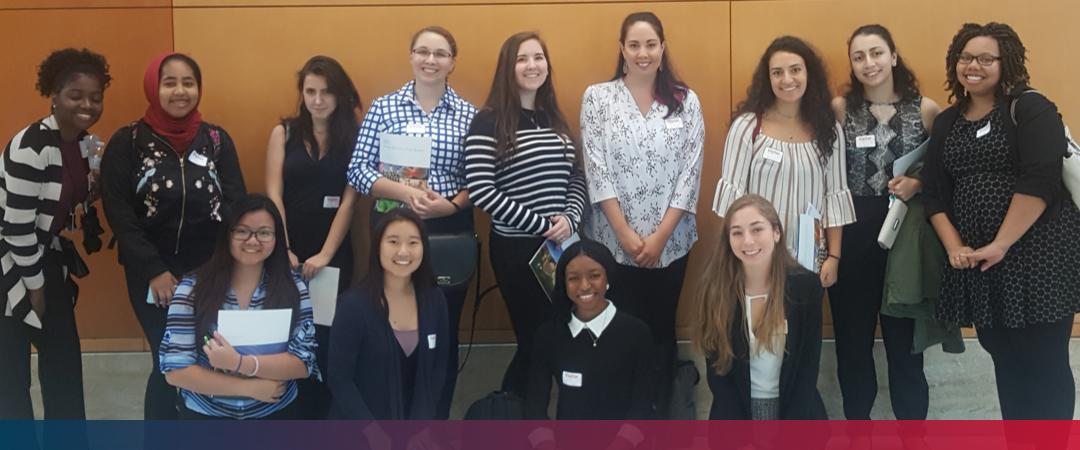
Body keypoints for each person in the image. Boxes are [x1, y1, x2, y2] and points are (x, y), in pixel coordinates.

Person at [922, 22, 1080, 420]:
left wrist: (1002, 242)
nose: (973, 66)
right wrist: (954, 246)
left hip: (1040, 260)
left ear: (1005, 61)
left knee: (1044, 364)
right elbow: (935, 193)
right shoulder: (947, 122)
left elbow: (1040, 179)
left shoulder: (1029, 108)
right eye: (966, 57)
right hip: (983, 264)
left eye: (986, 58)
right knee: (1006, 362)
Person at [102, 52, 247, 419]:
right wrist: (153, 269)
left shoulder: (216, 139)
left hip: (209, 271)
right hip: (152, 274)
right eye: (169, 83)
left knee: (205, 358)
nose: (180, 91)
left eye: (188, 82)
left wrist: (220, 268)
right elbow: (119, 213)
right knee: (169, 361)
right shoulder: (128, 141)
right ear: (154, 87)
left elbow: (235, 205)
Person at [347, 25, 477, 418]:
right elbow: (357, 170)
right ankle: (390, 417)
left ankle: (433, 419)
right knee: (389, 322)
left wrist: (449, 205)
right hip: (394, 228)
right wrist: (405, 193)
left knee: (442, 328)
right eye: (423, 52)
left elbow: (481, 179)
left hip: (447, 230)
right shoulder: (384, 108)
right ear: (411, 56)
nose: (430, 60)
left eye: (440, 54)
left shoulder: (470, 115)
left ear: (453, 61)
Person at [579, 11, 704, 415]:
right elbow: (595, 168)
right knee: (620, 324)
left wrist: (660, 237)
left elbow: (691, 172)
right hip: (613, 242)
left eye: (651, 44)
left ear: (663, 48)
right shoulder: (598, 98)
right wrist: (625, 234)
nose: (643, 53)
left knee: (662, 324)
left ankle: (661, 410)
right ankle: (624, 412)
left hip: (672, 240)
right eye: (634, 45)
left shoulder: (685, 100)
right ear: (622, 50)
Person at [827, 24, 942, 420]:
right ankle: (857, 427)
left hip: (905, 239)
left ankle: (913, 432)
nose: (869, 63)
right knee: (852, 343)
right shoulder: (840, 109)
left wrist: (919, 182)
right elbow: (824, 173)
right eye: (859, 57)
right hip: (852, 235)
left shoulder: (925, 109)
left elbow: (947, 172)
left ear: (893, 56)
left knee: (905, 344)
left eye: (876, 53)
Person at [464, 31, 586, 398]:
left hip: (562, 246)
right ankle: (518, 419)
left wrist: (570, 218)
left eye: (538, 57)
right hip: (518, 251)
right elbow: (482, 190)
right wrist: (541, 225)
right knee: (535, 338)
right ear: (508, 68)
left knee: (558, 334)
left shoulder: (554, 119)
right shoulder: (488, 122)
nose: (532, 65)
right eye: (522, 58)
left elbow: (577, 176)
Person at [0, 48, 111, 422]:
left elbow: (62, 207)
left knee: (63, 366)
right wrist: (35, 286)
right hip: (8, 264)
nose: (88, 105)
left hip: (47, 256)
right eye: (75, 95)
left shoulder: (84, 143)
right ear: (54, 95)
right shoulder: (30, 146)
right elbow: (15, 227)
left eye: (96, 97)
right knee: (10, 376)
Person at [712, 36, 855, 287]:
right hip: (754, 259)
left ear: (809, 74)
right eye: (777, 72)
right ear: (768, 79)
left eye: (795, 70)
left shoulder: (828, 129)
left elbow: (834, 195)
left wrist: (834, 256)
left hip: (809, 260)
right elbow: (730, 201)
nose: (787, 80)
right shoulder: (747, 127)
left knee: (803, 325)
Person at [159, 194, 317, 419]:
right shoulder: (192, 288)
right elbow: (176, 371)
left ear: (277, 238)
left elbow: (303, 362)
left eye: (264, 233)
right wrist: (247, 388)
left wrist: (240, 363)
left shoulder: (294, 286)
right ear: (227, 235)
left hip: (274, 414)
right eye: (242, 231)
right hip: (207, 417)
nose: (253, 241)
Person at [265, 55, 361, 419]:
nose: (317, 100)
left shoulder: (354, 135)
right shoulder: (284, 133)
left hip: (334, 252)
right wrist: (283, 248)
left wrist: (325, 254)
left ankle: (324, 420)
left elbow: (350, 202)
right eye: (310, 91)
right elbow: (273, 194)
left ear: (340, 95)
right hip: (285, 249)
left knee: (327, 340)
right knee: (288, 335)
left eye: (326, 92)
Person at [692, 194, 826, 420]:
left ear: (776, 232)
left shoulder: (806, 287)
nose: (748, 241)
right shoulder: (714, 290)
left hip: (796, 413)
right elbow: (719, 376)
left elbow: (808, 368)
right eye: (737, 233)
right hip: (736, 416)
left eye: (756, 229)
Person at [328, 208, 448, 421]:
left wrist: (421, 426)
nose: (403, 251)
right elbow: (340, 380)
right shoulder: (353, 305)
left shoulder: (434, 299)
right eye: (393, 242)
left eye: (413, 242)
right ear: (377, 247)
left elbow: (438, 369)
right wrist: (373, 433)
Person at [526, 239, 654, 420]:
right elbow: (535, 405)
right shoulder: (548, 335)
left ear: (608, 277)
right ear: (563, 282)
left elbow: (643, 403)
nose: (584, 286)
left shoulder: (637, 333)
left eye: (594, 275)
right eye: (573, 278)